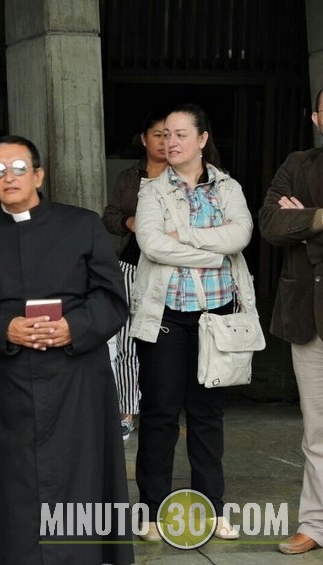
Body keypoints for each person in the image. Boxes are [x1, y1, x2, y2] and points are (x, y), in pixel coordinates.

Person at [0, 135, 132, 564]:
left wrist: (74, 328)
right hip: (10, 385)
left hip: (77, 381)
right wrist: (6, 328)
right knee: (13, 489)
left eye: (18, 168)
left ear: (38, 175)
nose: (9, 177)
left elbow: (112, 298)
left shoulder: (82, 225)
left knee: (79, 479)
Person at [129, 103, 255, 542]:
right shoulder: (151, 190)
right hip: (165, 315)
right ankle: (151, 512)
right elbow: (150, 243)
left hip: (215, 317)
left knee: (207, 414)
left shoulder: (228, 188)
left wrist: (184, 237)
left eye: (181, 134)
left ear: (202, 140)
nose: (171, 142)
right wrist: (214, 253)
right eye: (166, 134)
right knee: (160, 414)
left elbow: (240, 235)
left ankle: (212, 510)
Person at [259, 87, 323, 556]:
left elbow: (292, 227)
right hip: (309, 319)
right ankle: (315, 523)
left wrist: (305, 223)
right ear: (317, 119)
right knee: (317, 431)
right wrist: (317, 220)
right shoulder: (298, 164)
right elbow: (270, 224)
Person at [102, 110, 168, 440]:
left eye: (170, 135)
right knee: (128, 339)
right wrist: (129, 222)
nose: (164, 141)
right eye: (157, 135)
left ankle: (162, 407)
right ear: (144, 139)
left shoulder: (187, 177)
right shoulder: (131, 178)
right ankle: (127, 410)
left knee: (167, 341)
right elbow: (109, 216)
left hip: (172, 268)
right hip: (131, 264)